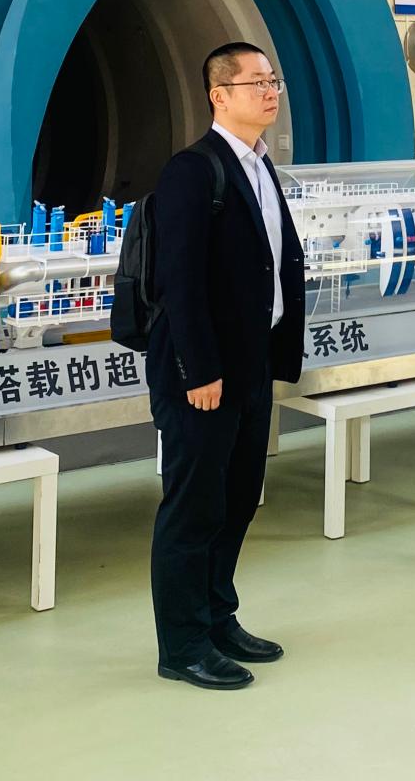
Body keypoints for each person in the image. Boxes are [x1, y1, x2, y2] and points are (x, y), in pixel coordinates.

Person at [145, 42, 307, 691]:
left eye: (274, 80)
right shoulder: (194, 171)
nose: (270, 92)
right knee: (193, 508)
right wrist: (199, 371)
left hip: (250, 365)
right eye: (256, 82)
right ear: (219, 95)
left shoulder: (261, 165)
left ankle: (217, 617)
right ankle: (182, 645)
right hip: (202, 375)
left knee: (237, 499)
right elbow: (178, 283)